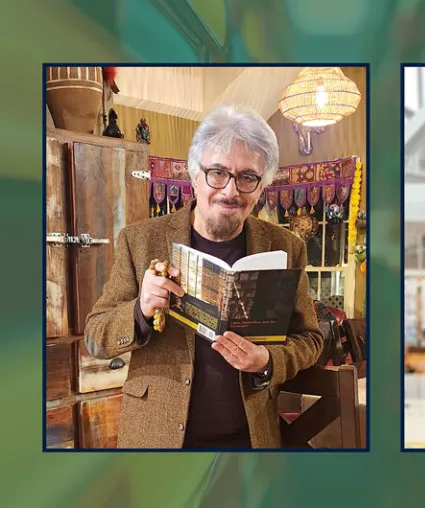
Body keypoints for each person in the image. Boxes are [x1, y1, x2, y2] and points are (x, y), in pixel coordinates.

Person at [84, 105, 323, 449]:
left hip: (250, 441)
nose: (230, 191)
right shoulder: (139, 241)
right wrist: (141, 310)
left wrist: (268, 361)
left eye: (247, 177)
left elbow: (310, 339)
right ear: (195, 176)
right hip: (157, 441)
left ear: (261, 187)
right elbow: (96, 339)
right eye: (217, 172)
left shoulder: (286, 247)